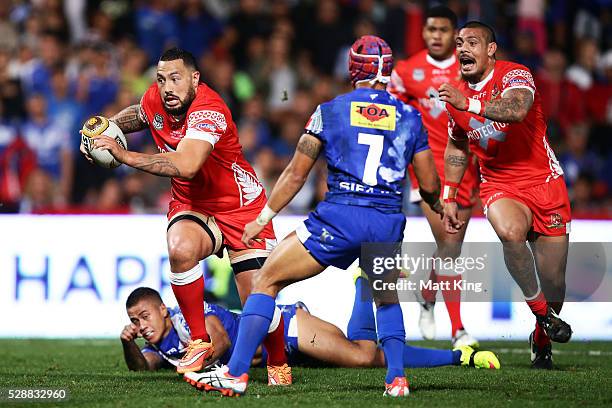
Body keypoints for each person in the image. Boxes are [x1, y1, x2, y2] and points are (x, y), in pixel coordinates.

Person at [193, 35, 443, 398]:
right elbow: (430, 182)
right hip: (386, 221)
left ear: (352, 68)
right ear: (387, 71)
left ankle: (235, 374)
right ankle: (397, 379)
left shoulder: (331, 111)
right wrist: (438, 204)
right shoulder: (410, 117)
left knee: (265, 280)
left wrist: (263, 217)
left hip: (339, 218)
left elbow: (296, 173)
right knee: (385, 299)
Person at [80, 48, 289, 383]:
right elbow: (141, 114)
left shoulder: (210, 110)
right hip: (193, 204)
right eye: (161, 79)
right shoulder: (158, 99)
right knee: (179, 249)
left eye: (175, 78)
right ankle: (199, 341)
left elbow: (187, 165)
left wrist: (123, 154)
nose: (167, 87)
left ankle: (278, 361)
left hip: (239, 207)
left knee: (259, 300)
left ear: (194, 79)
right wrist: (107, 129)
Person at [438, 21, 572, 369]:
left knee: (555, 284)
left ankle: (541, 332)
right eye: (459, 43)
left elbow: (517, 110)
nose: (463, 48)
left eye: (472, 42)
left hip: (545, 182)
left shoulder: (516, 75)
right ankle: (544, 316)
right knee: (510, 232)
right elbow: (456, 144)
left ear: (491, 49)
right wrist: (449, 192)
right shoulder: (456, 98)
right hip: (499, 183)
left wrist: (470, 103)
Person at [120, 287, 499, 373]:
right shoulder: (162, 342)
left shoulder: (186, 317)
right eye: (135, 321)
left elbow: (217, 339)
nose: (141, 325)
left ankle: (364, 283)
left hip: (284, 330)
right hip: (278, 355)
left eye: (144, 316)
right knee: (371, 356)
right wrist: (128, 346)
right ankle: (460, 357)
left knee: (364, 356)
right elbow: (145, 369)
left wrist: (194, 366)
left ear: (163, 310)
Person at [388, 6, 478, 348]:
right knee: (450, 245)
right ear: (423, 32)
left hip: (466, 168)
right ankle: (458, 330)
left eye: (443, 30)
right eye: (430, 29)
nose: (435, 36)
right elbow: (394, 114)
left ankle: (427, 294)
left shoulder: (469, 68)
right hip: (427, 171)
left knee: (449, 247)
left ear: (455, 36)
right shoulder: (408, 70)